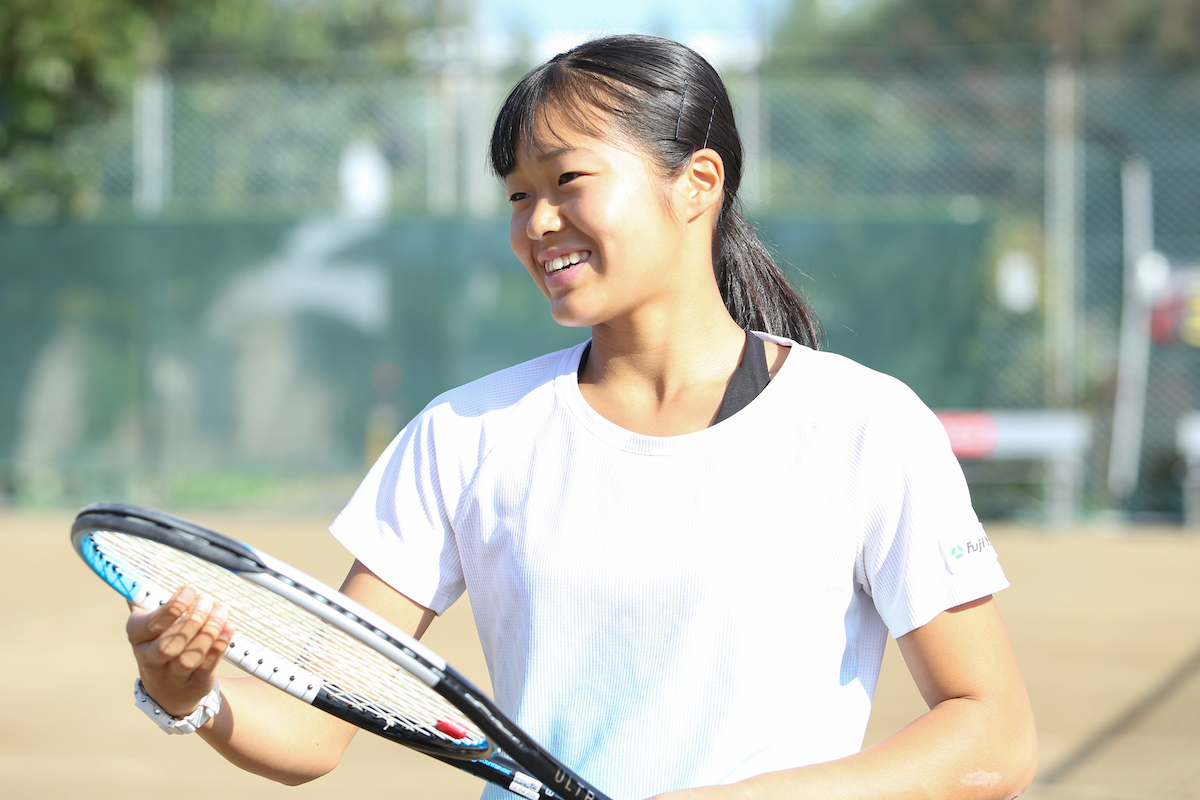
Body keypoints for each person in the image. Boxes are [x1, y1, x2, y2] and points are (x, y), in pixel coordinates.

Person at [126, 34, 1037, 800]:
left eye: (568, 180)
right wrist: (188, 693)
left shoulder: (863, 423)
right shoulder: (465, 434)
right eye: (518, 194)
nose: (536, 222)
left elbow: (991, 734)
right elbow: (315, 735)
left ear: (698, 182)